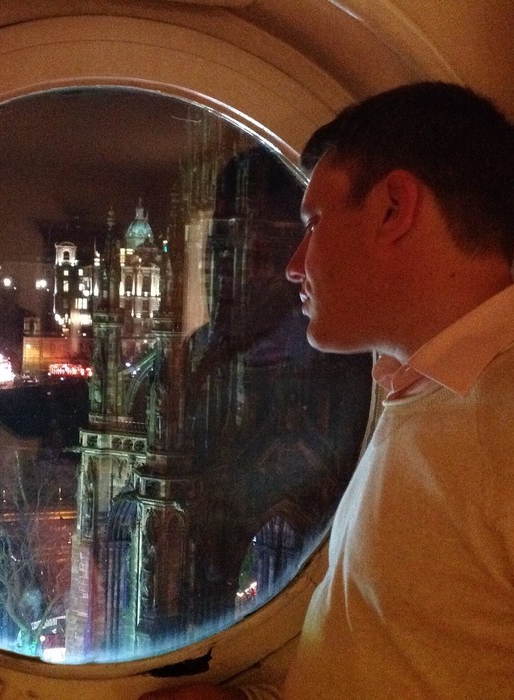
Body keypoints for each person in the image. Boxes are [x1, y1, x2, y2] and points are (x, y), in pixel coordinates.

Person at [139, 81, 514, 699]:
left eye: (312, 223)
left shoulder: (498, 422)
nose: (293, 265)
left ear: (394, 209)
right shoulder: (413, 390)